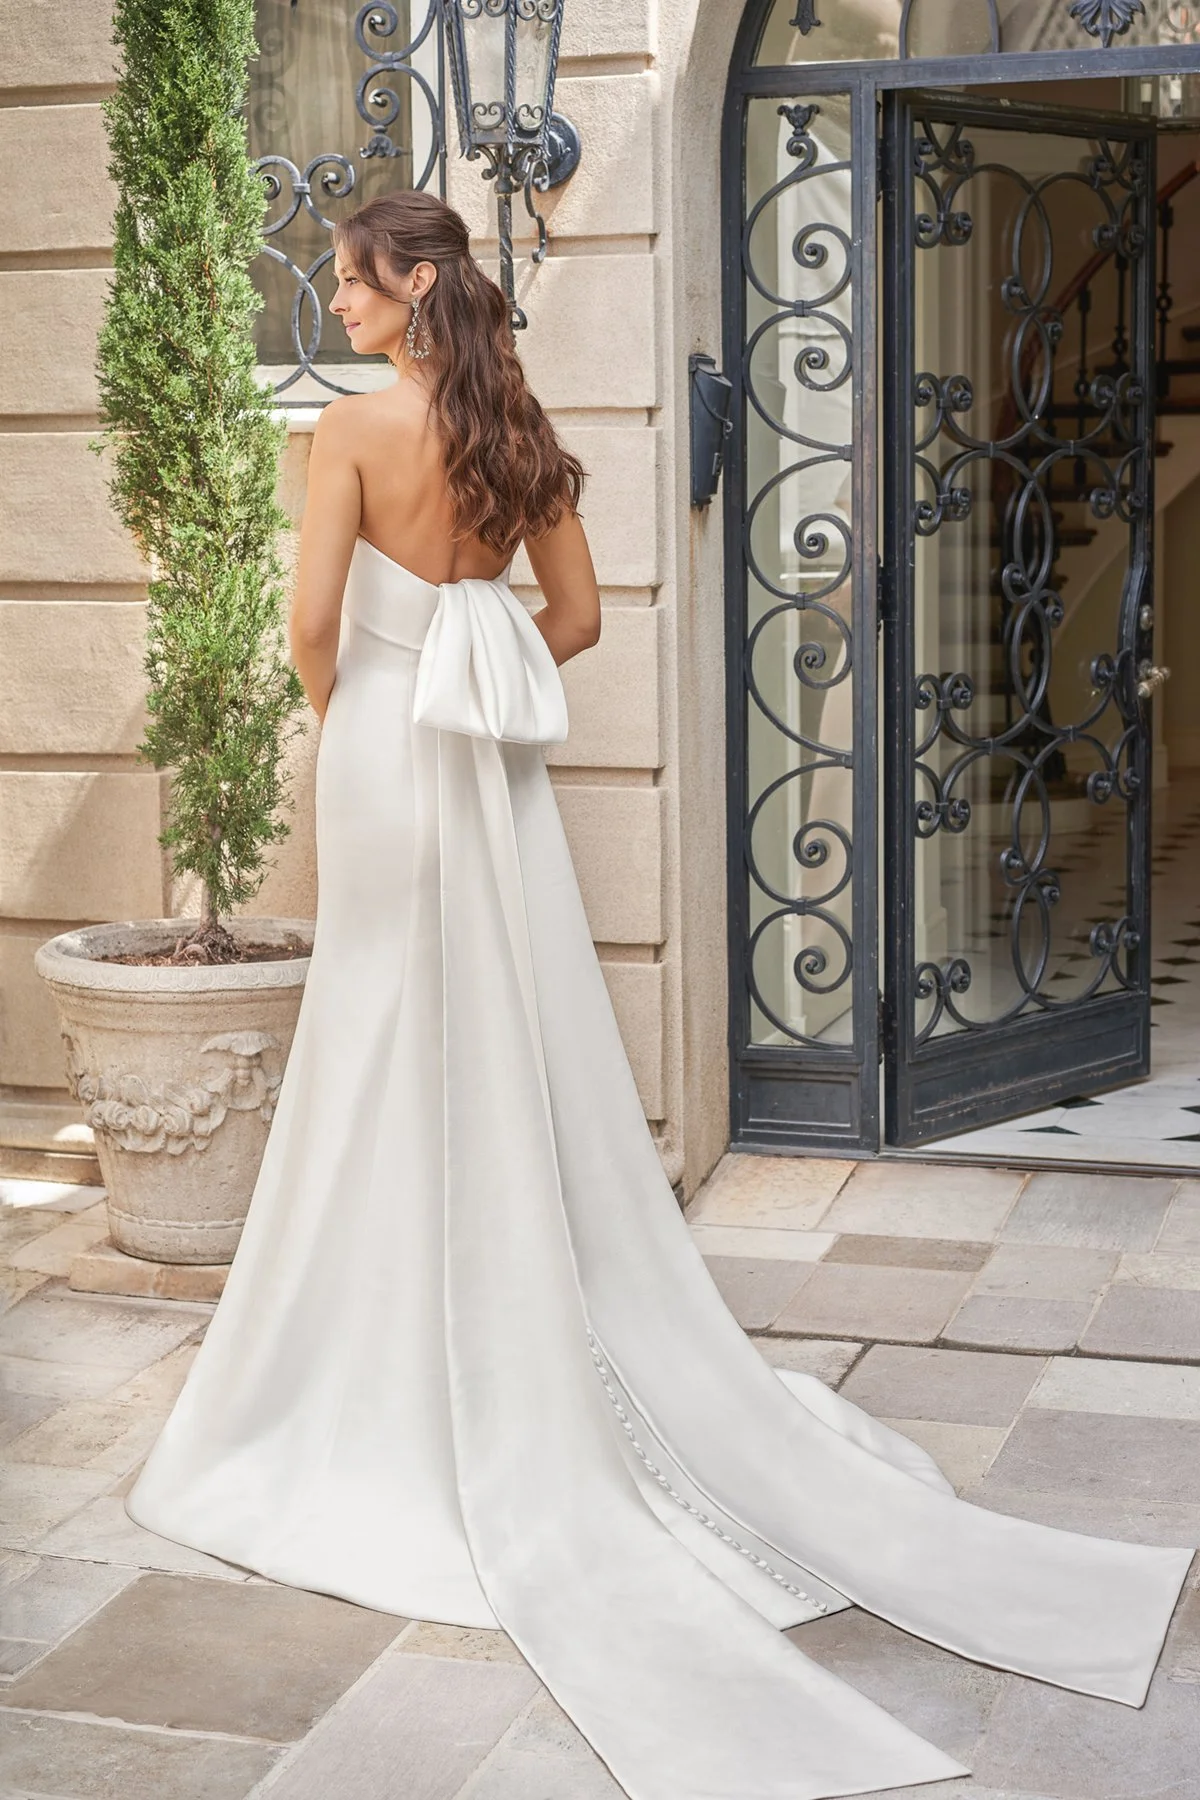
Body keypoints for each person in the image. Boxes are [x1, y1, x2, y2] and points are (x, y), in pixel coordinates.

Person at [126, 190, 1195, 1800]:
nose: (335, 306)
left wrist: (375, 721)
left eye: (348, 283)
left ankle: (376, 1354)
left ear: (412, 283)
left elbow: (310, 629)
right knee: (499, 1045)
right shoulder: (520, 429)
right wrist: (476, 671)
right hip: (488, 781)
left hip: (382, 770)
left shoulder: (350, 433)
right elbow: (575, 620)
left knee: (376, 1051)